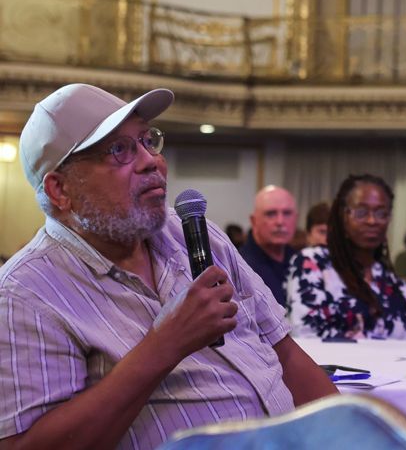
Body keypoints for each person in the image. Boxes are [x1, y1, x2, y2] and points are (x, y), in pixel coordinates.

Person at [0, 83, 335, 449]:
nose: (151, 161)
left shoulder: (194, 234)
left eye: (147, 140)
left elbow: (284, 354)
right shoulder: (25, 293)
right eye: (119, 150)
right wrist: (165, 345)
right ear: (60, 190)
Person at [285, 174, 406, 339]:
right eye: (361, 212)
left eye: (381, 213)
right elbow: (306, 334)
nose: (372, 221)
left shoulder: (394, 284)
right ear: (342, 216)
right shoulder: (311, 264)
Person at [239, 185, 300, 307]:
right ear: (254, 221)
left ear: (296, 219)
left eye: (287, 213)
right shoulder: (239, 267)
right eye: (271, 214)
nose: (280, 222)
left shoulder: (300, 262)